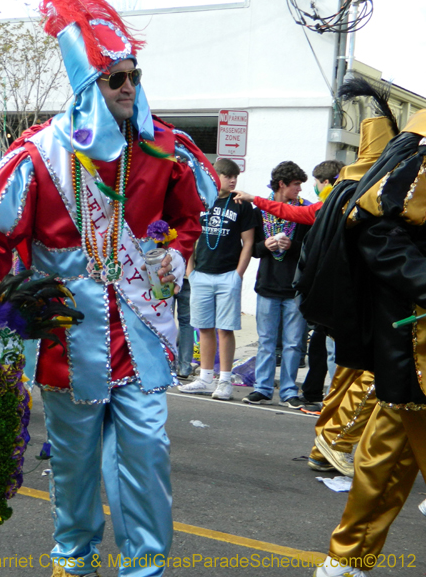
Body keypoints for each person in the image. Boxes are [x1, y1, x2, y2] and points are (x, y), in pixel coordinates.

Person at [0, 0, 217, 576]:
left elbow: (186, 224)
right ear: (87, 86)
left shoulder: (164, 150)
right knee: (73, 465)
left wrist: (176, 256)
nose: (128, 87)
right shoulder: (41, 155)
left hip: (143, 335)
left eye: (132, 75)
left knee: (148, 454)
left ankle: (145, 567)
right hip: (67, 338)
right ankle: (73, 562)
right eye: (113, 78)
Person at [313, 109, 426, 577]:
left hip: (408, 354)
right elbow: (377, 227)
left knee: (386, 454)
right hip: (415, 343)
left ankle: (344, 562)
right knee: (387, 448)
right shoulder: (417, 155)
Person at [178, 157, 255, 400]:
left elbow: (249, 242)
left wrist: (238, 275)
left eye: (235, 177)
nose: (233, 180)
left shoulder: (241, 204)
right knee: (204, 328)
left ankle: (224, 381)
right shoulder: (202, 201)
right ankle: (205, 378)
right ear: (215, 176)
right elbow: (188, 236)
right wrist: (190, 270)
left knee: (225, 329)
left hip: (227, 275)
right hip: (201, 274)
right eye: (227, 175)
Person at [242, 161, 310, 407]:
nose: (300, 189)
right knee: (267, 341)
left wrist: (293, 247)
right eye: (296, 185)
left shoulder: (306, 212)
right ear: (282, 184)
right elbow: (252, 249)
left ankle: (290, 390)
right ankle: (262, 388)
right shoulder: (259, 211)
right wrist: (265, 246)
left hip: (295, 287)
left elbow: (311, 248)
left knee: (293, 343)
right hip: (267, 285)